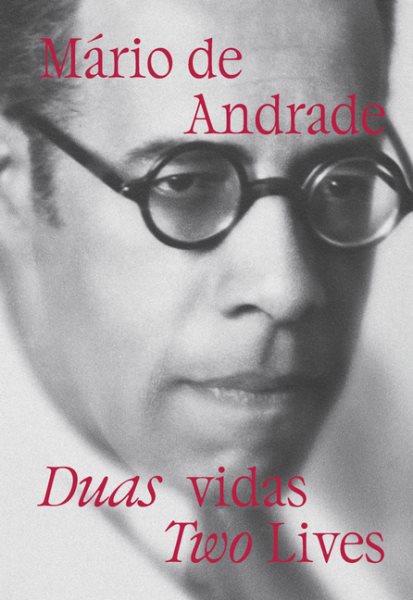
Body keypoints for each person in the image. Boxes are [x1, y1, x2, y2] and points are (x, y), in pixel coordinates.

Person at [0, 1, 410, 598]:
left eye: (342, 183)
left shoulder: (377, 430)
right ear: (11, 177)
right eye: (184, 184)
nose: (289, 288)